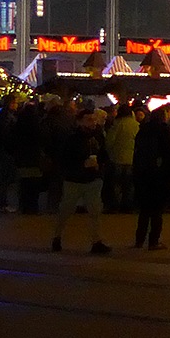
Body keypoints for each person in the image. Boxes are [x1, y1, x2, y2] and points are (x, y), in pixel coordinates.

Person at [52, 107, 111, 255]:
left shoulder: (97, 136)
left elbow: (104, 154)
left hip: (93, 179)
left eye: (94, 119)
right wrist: (81, 164)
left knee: (95, 211)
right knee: (66, 209)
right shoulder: (72, 138)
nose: (92, 123)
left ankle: (96, 241)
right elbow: (64, 159)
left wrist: (100, 164)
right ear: (79, 121)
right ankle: (57, 236)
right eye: (89, 120)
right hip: (75, 180)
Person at [132, 107, 170, 250]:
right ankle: (154, 241)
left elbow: (137, 151)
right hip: (158, 174)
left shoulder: (143, 129)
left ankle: (139, 239)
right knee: (157, 210)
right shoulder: (164, 131)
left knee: (144, 210)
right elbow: (169, 154)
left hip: (143, 173)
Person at [105, 104, 143, 213]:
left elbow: (110, 141)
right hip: (131, 158)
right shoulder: (136, 125)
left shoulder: (118, 124)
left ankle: (115, 205)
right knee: (129, 184)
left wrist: (110, 152)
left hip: (117, 157)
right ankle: (127, 206)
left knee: (116, 183)